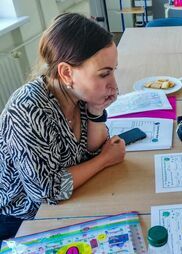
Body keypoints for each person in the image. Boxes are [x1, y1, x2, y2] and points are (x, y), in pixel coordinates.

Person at [0, 13, 126, 242]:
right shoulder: (28, 110)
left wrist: (97, 110)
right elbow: (49, 191)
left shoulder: (77, 95)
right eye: (104, 74)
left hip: (70, 199)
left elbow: (89, 151)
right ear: (67, 72)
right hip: (21, 219)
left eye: (114, 70)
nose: (114, 85)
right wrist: (105, 159)